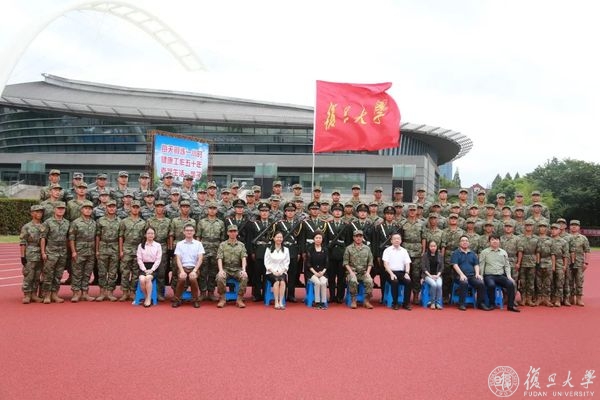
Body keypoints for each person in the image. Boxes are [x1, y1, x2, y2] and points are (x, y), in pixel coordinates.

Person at [479, 235, 520, 312]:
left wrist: (509, 276)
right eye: (492, 240)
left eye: (496, 239)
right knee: (491, 285)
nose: (495, 241)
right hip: (489, 276)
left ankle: (510, 306)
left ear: (499, 241)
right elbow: (482, 265)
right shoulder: (484, 252)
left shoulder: (503, 252)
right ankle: (492, 304)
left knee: (511, 284)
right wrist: (481, 276)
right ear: (489, 242)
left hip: (500, 276)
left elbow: (507, 265)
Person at [450, 235, 492, 311]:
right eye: (463, 241)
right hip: (459, 276)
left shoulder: (472, 253)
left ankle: (480, 304)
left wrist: (477, 274)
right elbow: (455, 265)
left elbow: (476, 264)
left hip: (472, 276)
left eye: (466, 241)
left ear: (469, 243)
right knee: (464, 282)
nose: (465, 242)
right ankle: (462, 304)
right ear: (459, 243)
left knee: (481, 283)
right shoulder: (456, 253)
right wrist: (461, 274)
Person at [40, 201, 70, 304]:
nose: (61, 210)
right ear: (54, 210)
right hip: (51, 252)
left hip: (62, 252)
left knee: (58, 275)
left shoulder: (67, 223)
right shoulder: (47, 222)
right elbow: (43, 238)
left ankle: (55, 294)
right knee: (48, 274)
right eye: (59, 208)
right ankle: (47, 295)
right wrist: (43, 252)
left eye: (63, 209)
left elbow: (68, 238)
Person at [68, 201, 97, 302]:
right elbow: (71, 238)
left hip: (90, 251)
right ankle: (76, 293)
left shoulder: (94, 223)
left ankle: (85, 293)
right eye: (86, 208)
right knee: (77, 273)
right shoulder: (75, 222)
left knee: (87, 273)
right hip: (79, 251)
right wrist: (73, 251)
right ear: (81, 210)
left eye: (90, 209)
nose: (88, 210)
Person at [172, 224, 205, 308]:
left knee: (193, 278)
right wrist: (182, 271)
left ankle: (195, 300)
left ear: (194, 232)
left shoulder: (198, 244)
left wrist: (194, 271)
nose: (189, 232)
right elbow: (178, 259)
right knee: (182, 278)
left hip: (194, 268)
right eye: (187, 230)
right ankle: (177, 300)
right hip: (183, 267)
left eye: (191, 230)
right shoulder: (179, 244)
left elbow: (200, 259)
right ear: (184, 232)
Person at [216, 225, 248, 308]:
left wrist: (244, 270)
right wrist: (220, 270)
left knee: (244, 277)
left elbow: (243, 258)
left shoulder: (241, 245)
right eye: (231, 231)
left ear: (237, 233)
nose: (233, 233)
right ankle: (222, 299)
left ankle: (239, 299)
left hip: (237, 269)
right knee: (220, 277)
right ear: (227, 233)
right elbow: (219, 258)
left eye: (234, 231)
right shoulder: (223, 245)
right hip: (226, 268)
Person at [19, 205, 46, 304]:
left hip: (40, 253)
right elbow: (23, 242)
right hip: (30, 253)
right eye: (37, 212)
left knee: (37, 275)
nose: (39, 214)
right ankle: (27, 294)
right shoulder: (27, 226)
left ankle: (34, 294)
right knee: (29, 275)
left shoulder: (43, 226)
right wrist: (22, 256)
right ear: (32, 213)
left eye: (40, 212)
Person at [344, 230, 374, 309]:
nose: (358, 238)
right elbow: (345, 263)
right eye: (356, 236)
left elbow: (370, 262)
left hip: (363, 272)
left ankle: (366, 301)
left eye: (360, 236)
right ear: (353, 238)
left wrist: (368, 272)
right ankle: (354, 300)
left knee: (370, 281)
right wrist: (351, 272)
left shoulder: (367, 248)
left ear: (362, 237)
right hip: (352, 272)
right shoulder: (348, 248)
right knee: (353, 281)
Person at [381, 233, 412, 310]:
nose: (397, 240)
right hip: (389, 272)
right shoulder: (387, 250)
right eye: (394, 239)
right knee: (395, 282)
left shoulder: (404, 251)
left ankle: (406, 303)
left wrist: (407, 273)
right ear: (391, 241)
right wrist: (391, 274)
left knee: (408, 282)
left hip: (401, 272)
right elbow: (385, 264)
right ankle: (395, 303)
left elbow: (407, 263)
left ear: (401, 240)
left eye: (398, 239)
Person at [136, 227, 162, 307]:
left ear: (154, 235)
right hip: (143, 267)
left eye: (152, 233)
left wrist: (152, 270)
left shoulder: (158, 245)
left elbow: (158, 259)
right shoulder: (141, 245)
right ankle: (147, 296)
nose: (150, 235)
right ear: (145, 235)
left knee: (148, 278)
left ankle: (148, 299)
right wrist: (144, 269)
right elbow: (139, 259)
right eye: (148, 233)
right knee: (141, 279)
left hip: (154, 268)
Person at [264, 231, 290, 309]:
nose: (279, 239)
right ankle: (276, 302)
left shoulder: (286, 250)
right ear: (274, 238)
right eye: (277, 237)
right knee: (276, 281)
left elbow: (287, 262)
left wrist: (282, 271)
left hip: (282, 271)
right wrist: (273, 271)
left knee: (282, 282)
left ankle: (281, 302)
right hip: (271, 272)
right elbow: (266, 262)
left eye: (281, 237)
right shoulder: (269, 249)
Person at [305, 231, 328, 309]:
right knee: (317, 283)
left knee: (323, 282)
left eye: (320, 238)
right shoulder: (310, 249)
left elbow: (327, 263)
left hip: (322, 272)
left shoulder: (325, 249)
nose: (318, 239)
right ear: (314, 239)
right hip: (311, 272)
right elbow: (308, 264)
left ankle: (323, 302)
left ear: (322, 239)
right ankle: (317, 302)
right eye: (316, 238)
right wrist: (315, 273)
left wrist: (322, 272)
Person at [421, 240, 443, 310]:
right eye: (431, 246)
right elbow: (423, 267)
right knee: (434, 284)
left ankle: (438, 303)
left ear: (436, 247)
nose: (433, 248)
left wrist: (437, 275)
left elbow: (442, 267)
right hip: (427, 275)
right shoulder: (425, 255)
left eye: (434, 246)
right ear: (428, 247)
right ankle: (432, 302)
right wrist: (430, 275)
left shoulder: (440, 255)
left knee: (439, 285)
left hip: (437, 275)